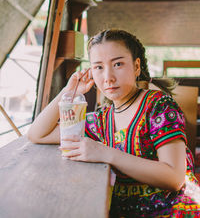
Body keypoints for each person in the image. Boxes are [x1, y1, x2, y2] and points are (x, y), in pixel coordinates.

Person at [28, 29, 200, 217]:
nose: (108, 77)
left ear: (136, 67)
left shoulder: (159, 105)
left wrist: (104, 152)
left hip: (173, 210)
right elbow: (38, 134)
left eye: (118, 64)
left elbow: (174, 178)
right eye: (99, 67)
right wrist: (69, 91)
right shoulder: (103, 119)